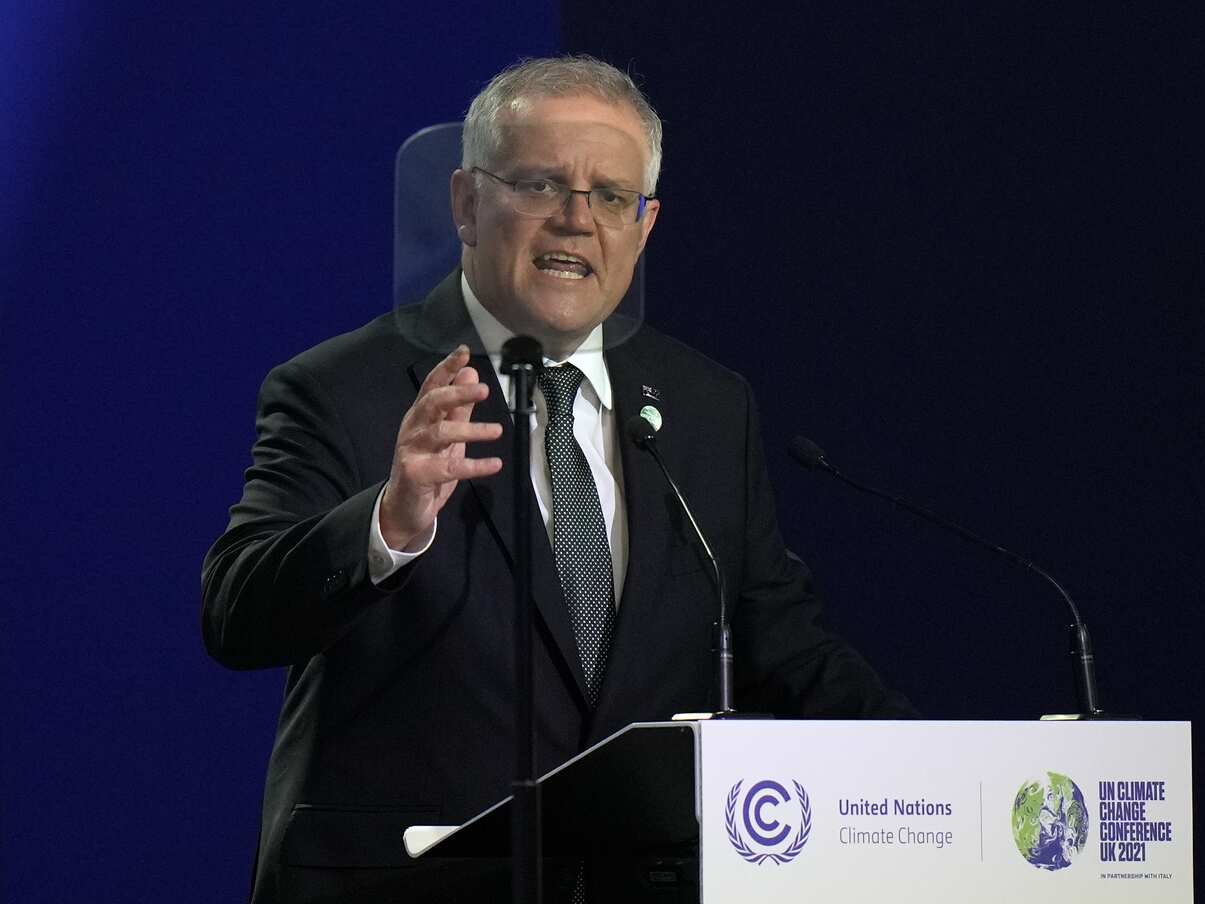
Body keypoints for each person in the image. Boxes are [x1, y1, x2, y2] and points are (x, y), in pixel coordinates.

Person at [202, 55, 913, 904]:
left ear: (645, 225)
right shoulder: (344, 388)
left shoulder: (706, 406)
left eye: (611, 196)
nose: (578, 221)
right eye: (542, 185)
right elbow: (236, 614)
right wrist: (389, 521)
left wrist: (944, 772)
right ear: (466, 203)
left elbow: (781, 646)